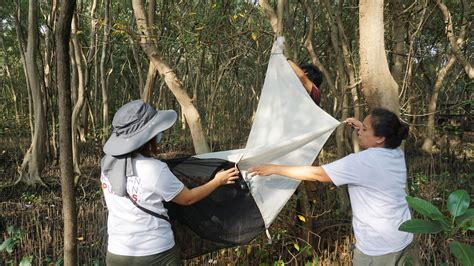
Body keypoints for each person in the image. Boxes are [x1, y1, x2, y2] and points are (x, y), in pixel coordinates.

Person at [248, 108, 414, 265]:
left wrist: (274, 168)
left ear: (380, 138)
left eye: (364, 129)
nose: (359, 132)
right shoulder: (395, 150)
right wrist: (363, 127)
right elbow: (378, 143)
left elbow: (317, 174)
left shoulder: (363, 161)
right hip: (402, 235)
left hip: (378, 248)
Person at [100, 100, 239, 265]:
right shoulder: (153, 169)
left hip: (117, 252)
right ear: (148, 137)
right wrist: (217, 181)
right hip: (156, 253)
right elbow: (187, 198)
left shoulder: (107, 164)